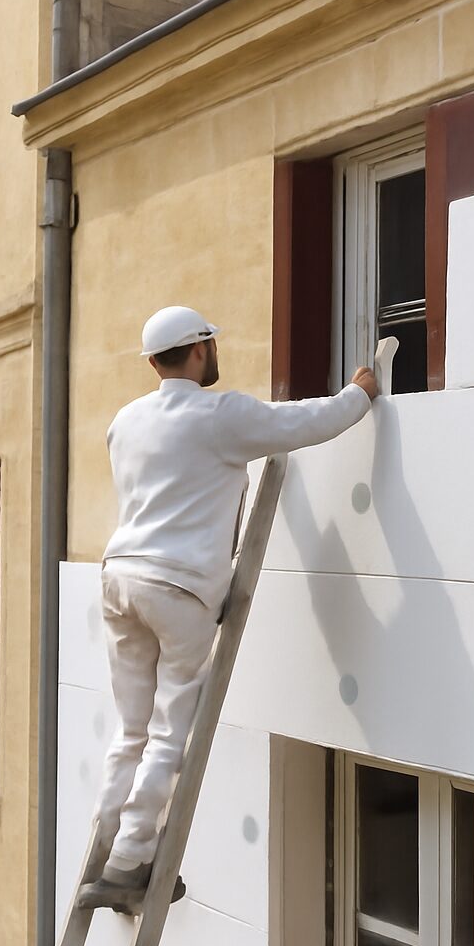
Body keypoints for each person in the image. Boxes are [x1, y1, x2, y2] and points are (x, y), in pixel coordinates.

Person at [78, 304, 378, 909]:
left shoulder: (126, 421)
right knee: (169, 735)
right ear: (196, 351)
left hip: (119, 580)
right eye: (210, 343)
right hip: (178, 587)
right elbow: (306, 424)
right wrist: (360, 394)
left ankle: (105, 846)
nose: (215, 352)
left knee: (131, 731)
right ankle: (130, 861)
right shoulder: (221, 415)